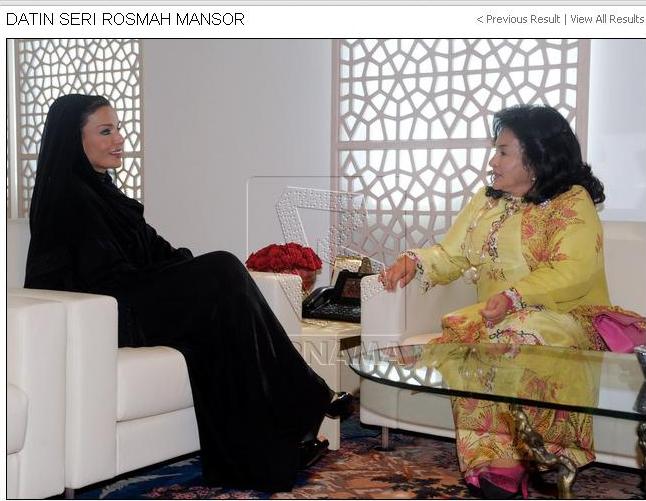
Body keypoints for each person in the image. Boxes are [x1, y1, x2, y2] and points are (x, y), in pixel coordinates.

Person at [24, 94, 352, 492]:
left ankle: (262, 455)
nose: (119, 139)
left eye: (119, 129)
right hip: (107, 314)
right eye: (105, 131)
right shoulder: (65, 198)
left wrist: (191, 273)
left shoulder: (106, 193)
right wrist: (192, 277)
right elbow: (94, 277)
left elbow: (156, 250)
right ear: (73, 140)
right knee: (222, 269)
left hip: (133, 299)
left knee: (223, 297)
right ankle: (305, 394)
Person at [380, 104, 610, 498]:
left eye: (503, 152)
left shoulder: (572, 201)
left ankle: (518, 461)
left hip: (565, 318)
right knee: (482, 338)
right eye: (495, 151)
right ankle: (490, 461)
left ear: (536, 156)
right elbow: (452, 254)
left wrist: (514, 296)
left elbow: (574, 270)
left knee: (513, 336)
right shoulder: (486, 201)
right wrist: (415, 260)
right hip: (497, 317)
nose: (492, 162)